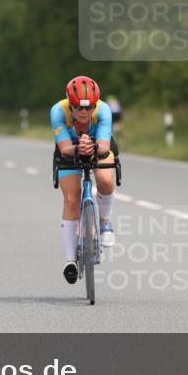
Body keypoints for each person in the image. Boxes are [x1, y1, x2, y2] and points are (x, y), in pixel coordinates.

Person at [50, 75, 117, 284]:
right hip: (69, 149)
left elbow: (105, 146)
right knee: (71, 199)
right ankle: (70, 260)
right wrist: (78, 148)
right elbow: (64, 148)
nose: (84, 112)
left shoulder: (104, 110)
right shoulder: (58, 112)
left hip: (99, 146)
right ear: (70, 104)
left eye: (89, 108)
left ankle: (105, 222)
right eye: (78, 107)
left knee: (105, 182)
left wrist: (93, 147)